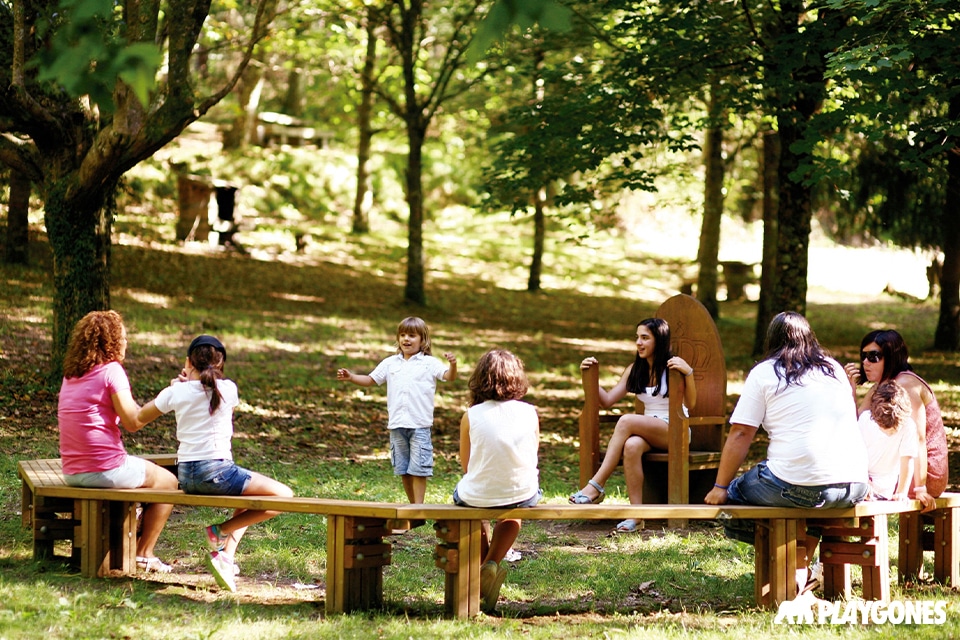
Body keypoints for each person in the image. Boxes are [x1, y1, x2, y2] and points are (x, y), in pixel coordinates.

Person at [704, 311, 870, 594]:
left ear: (772, 340)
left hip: (798, 486)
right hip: (854, 486)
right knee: (808, 498)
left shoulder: (766, 372)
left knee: (734, 495)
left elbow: (742, 433)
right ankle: (802, 554)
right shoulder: (834, 369)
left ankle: (789, 554)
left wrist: (720, 487)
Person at [137, 335, 293, 592]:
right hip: (217, 473)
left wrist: (177, 387)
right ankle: (219, 531)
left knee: (250, 494)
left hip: (186, 475)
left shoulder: (175, 391)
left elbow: (141, 416)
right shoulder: (229, 389)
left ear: (188, 361)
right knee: (283, 495)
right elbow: (221, 411)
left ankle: (226, 557)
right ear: (221, 364)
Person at [57, 310, 178, 573]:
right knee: (169, 482)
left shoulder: (71, 374)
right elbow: (134, 421)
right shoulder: (112, 371)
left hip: (72, 471)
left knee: (144, 475)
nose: (126, 343)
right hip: (104, 470)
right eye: (123, 337)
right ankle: (144, 553)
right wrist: (168, 398)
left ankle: (132, 519)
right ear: (110, 341)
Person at [570, 318, 696, 534]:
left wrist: (689, 372)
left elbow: (691, 404)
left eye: (645, 338)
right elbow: (608, 400)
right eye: (637, 337)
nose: (638, 343)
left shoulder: (673, 367)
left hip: (676, 430)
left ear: (660, 341)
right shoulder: (634, 370)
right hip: (649, 431)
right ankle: (636, 515)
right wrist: (589, 377)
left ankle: (596, 485)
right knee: (631, 446)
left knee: (626, 420)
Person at [453, 349, 541, 613]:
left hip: (476, 493)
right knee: (514, 512)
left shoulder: (471, 415)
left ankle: (483, 572)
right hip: (522, 490)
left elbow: (467, 465)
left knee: (472, 507)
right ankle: (490, 565)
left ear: (480, 379)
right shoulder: (530, 412)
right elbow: (531, 454)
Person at [337, 317, 457, 504]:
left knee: (419, 469)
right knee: (403, 468)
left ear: (423, 340)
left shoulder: (429, 363)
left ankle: (418, 507)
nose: (406, 339)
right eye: (402, 335)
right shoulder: (390, 363)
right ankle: (412, 506)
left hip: (419, 425)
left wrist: (453, 365)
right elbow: (370, 380)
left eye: (411, 335)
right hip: (397, 424)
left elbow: (448, 377)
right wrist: (351, 377)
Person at [844, 329, 946, 511]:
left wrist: (920, 487)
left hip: (924, 472)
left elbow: (919, 439)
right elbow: (855, 426)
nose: (865, 362)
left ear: (891, 357)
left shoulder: (906, 385)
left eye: (874, 356)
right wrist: (850, 391)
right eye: (864, 356)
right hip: (894, 466)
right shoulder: (881, 386)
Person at [858, 380, 919, 501]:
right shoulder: (865, 420)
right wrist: (862, 480)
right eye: (884, 428)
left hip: (884, 489)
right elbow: (856, 455)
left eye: (893, 430)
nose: (889, 434)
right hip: (861, 482)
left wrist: (901, 492)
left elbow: (907, 460)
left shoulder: (908, 425)